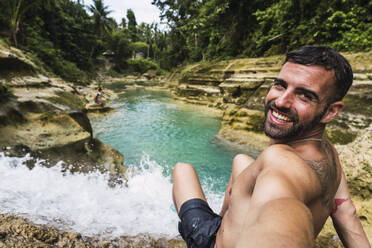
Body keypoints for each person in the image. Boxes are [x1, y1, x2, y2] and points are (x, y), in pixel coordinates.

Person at [172, 46, 370, 248]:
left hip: (211, 243)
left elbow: (279, 211)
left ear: (331, 111)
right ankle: (224, 221)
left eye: (304, 96)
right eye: (280, 85)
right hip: (228, 227)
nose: (281, 101)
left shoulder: (280, 161)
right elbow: (346, 214)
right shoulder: (328, 150)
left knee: (182, 170)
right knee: (241, 160)